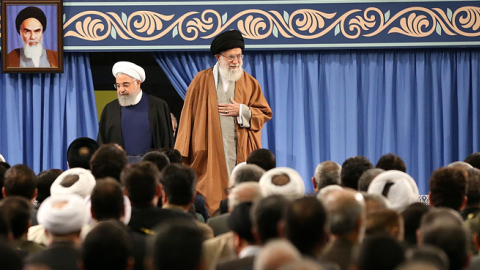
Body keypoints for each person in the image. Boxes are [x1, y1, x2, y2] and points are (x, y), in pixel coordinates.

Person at [175, 30, 272, 213]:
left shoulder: (250, 83)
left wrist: (242, 110)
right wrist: (184, 149)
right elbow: (187, 116)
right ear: (218, 57)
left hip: (240, 149)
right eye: (231, 57)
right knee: (212, 197)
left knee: (242, 196)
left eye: (239, 56)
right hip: (209, 152)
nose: (236, 61)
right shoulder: (200, 80)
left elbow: (264, 113)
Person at [97, 61, 174, 162]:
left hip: (151, 169)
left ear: (138, 83)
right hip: (119, 169)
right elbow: (102, 144)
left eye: (125, 85)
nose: (121, 90)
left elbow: (166, 142)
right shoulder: (109, 109)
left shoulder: (158, 106)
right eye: (118, 86)